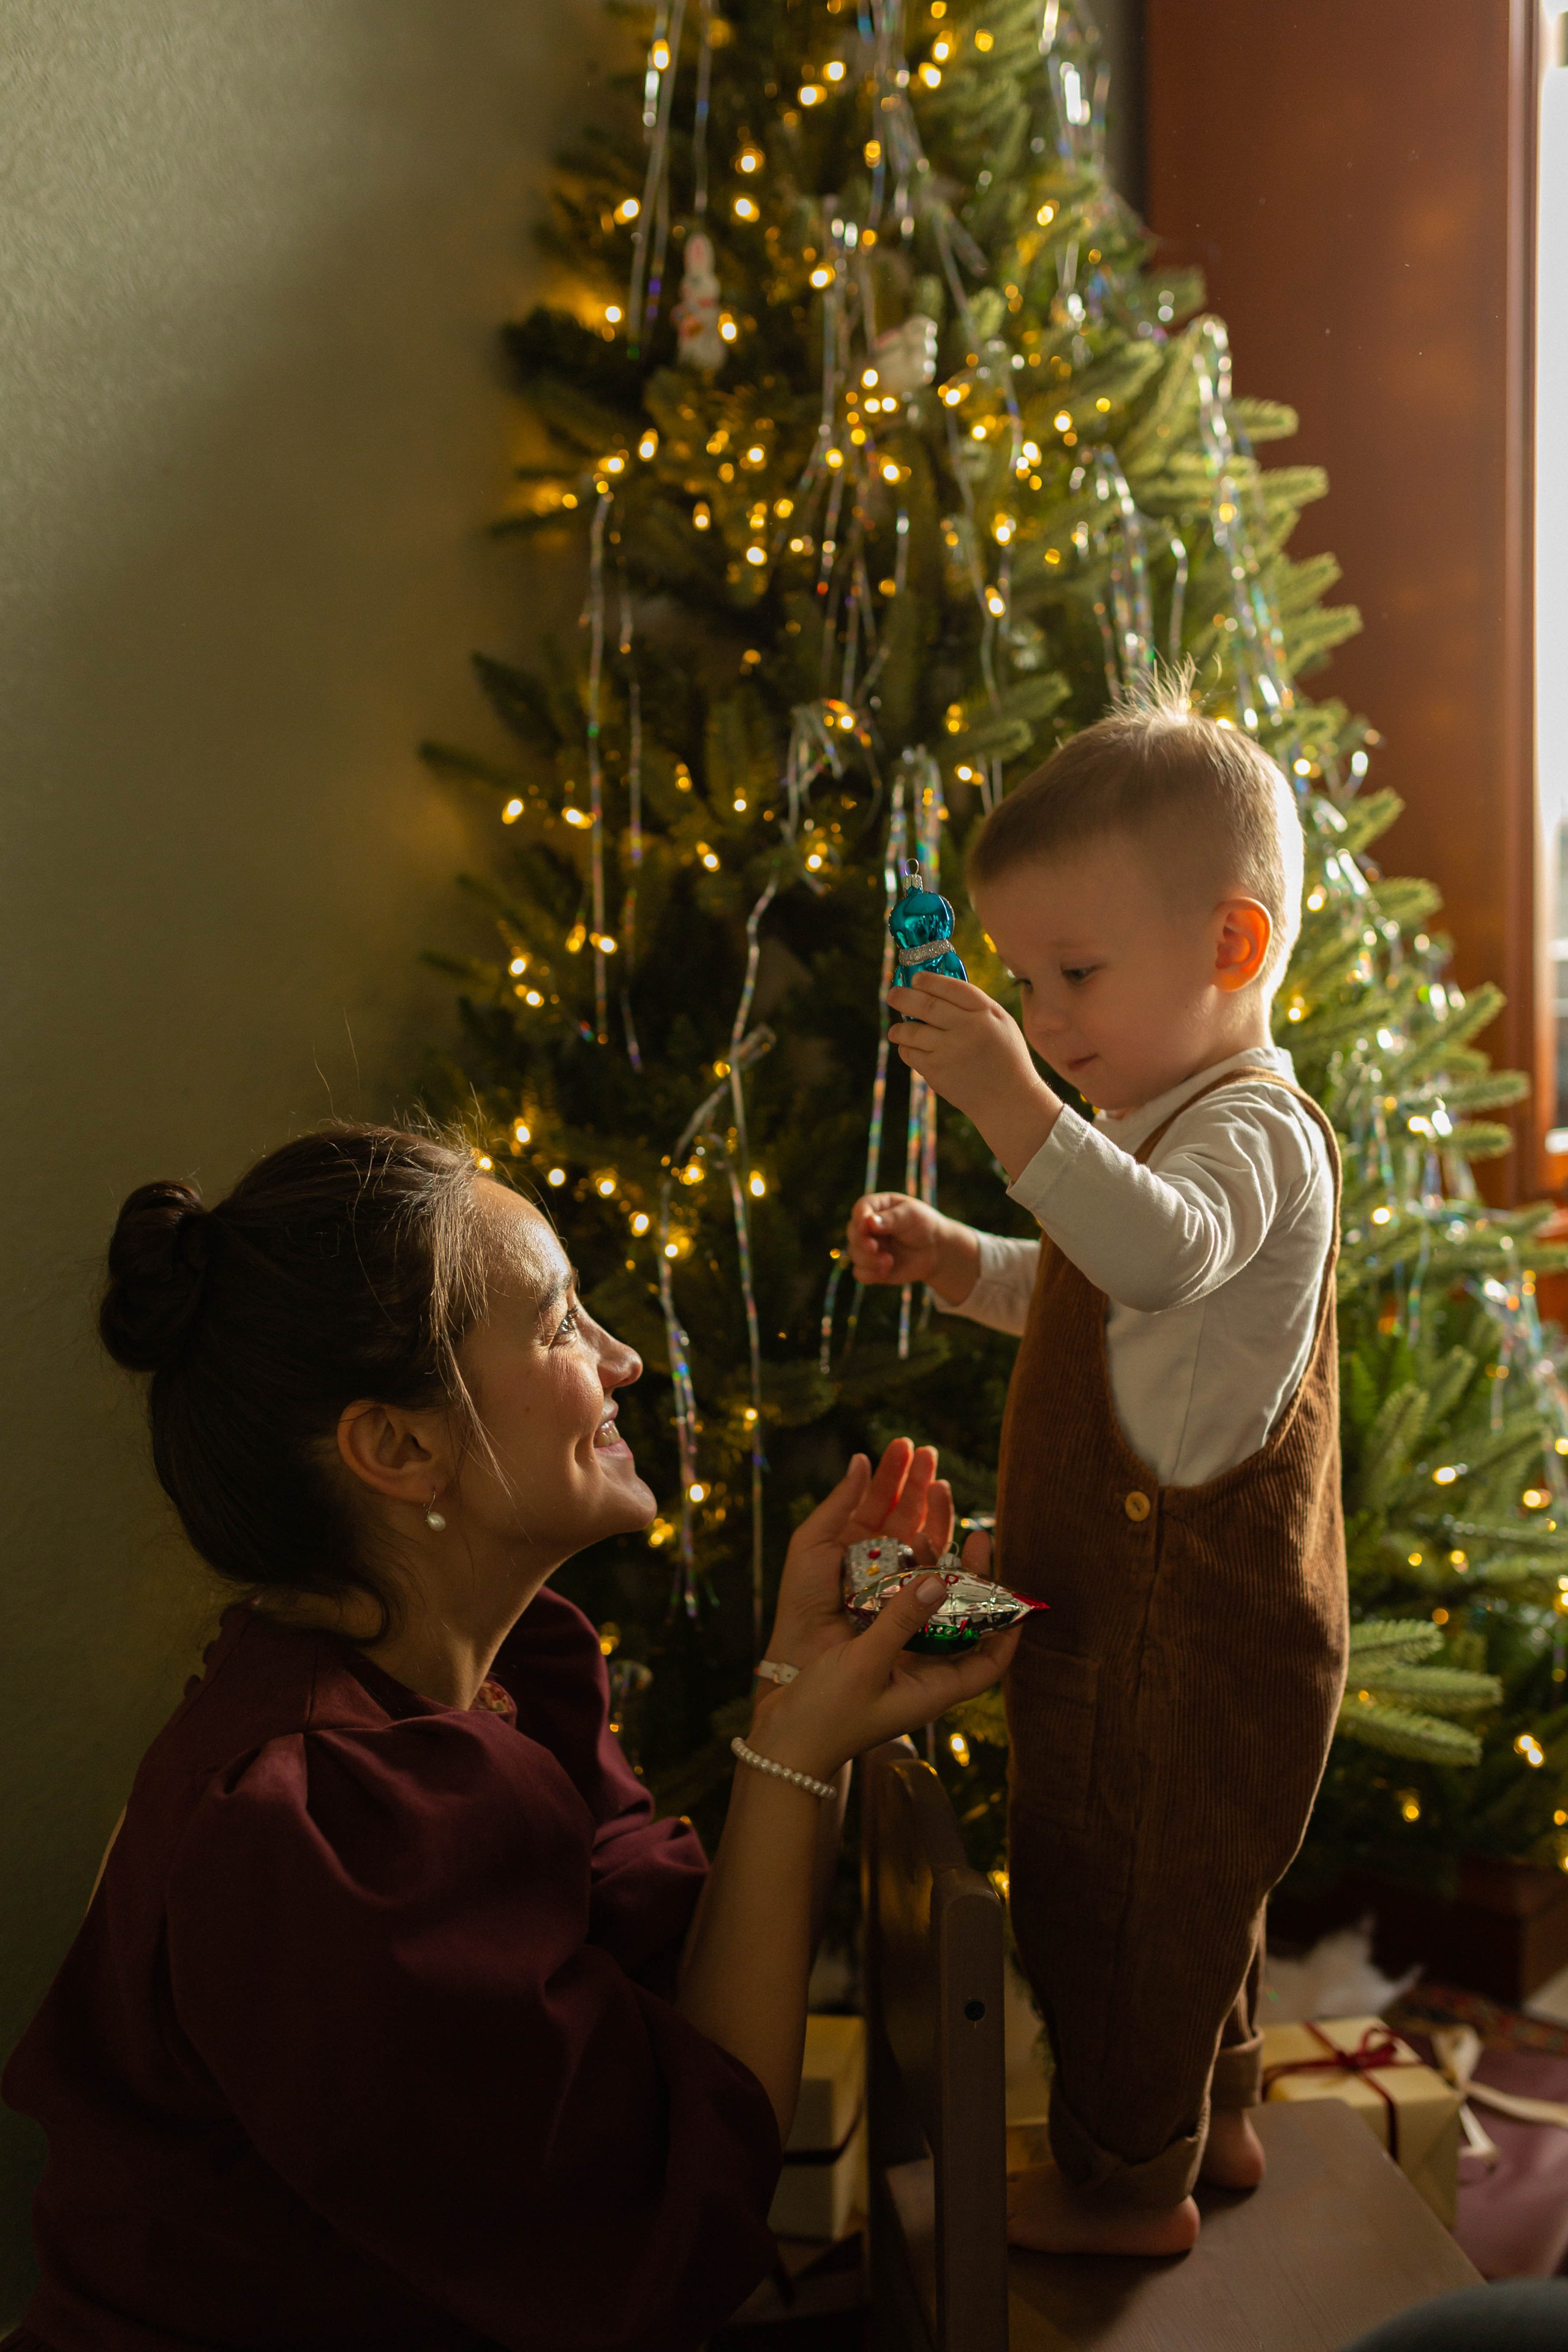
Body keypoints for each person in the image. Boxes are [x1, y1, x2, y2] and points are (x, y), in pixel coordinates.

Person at [3, 1125, 1017, 2352]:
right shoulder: (323, 1831)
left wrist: (801, 1689)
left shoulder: (504, 1677)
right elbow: (654, 2232)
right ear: (399, 1446)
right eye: (557, 1325)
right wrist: (796, 1738)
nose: (624, 1360)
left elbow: (679, 2027)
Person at [847, 681, 1348, 2256]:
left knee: (1120, 1892)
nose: (1045, 1024)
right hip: (1129, 1598)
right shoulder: (1152, 1117)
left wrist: (1004, 1095)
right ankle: (1219, 2117)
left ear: (1231, 948)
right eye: (1021, 985)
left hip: (1174, 1625)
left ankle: (1127, 2188)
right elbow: (1096, 1290)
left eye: (1074, 976)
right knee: (1186, 1886)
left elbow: (1156, 1255)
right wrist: (960, 1265)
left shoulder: (1248, 1133)